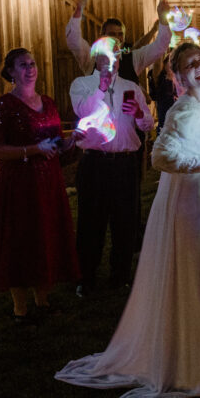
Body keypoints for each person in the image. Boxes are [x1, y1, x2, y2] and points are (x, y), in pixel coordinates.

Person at [56, 43, 200, 398]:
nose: (198, 68)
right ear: (178, 76)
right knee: (195, 279)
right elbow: (160, 156)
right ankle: (193, 367)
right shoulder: (184, 110)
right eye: (188, 66)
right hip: (188, 207)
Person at [0, 48, 79, 324]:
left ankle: (43, 300)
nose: (30, 69)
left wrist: (70, 140)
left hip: (48, 181)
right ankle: (20, 309)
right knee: (20, 239)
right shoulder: (3, 105)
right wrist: (33, 150)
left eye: (33, 63)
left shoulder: (48, 103)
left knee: (45, 236)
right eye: (22, 65)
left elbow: (55, 143)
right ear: (11, 72)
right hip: (18, 184)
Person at [70, 36, 154, 294]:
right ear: (96, 57)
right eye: (107, 55)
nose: (113, 60)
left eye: (117, 54)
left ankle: (120, 276)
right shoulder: (82, 84)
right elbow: (83, 112)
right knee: (90, 222)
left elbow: (148, 125)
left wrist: (139, 114)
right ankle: (86, 277)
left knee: (125, 222)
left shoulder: (132, 86)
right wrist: (101, 88)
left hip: (126, 164)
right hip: (95, 162)